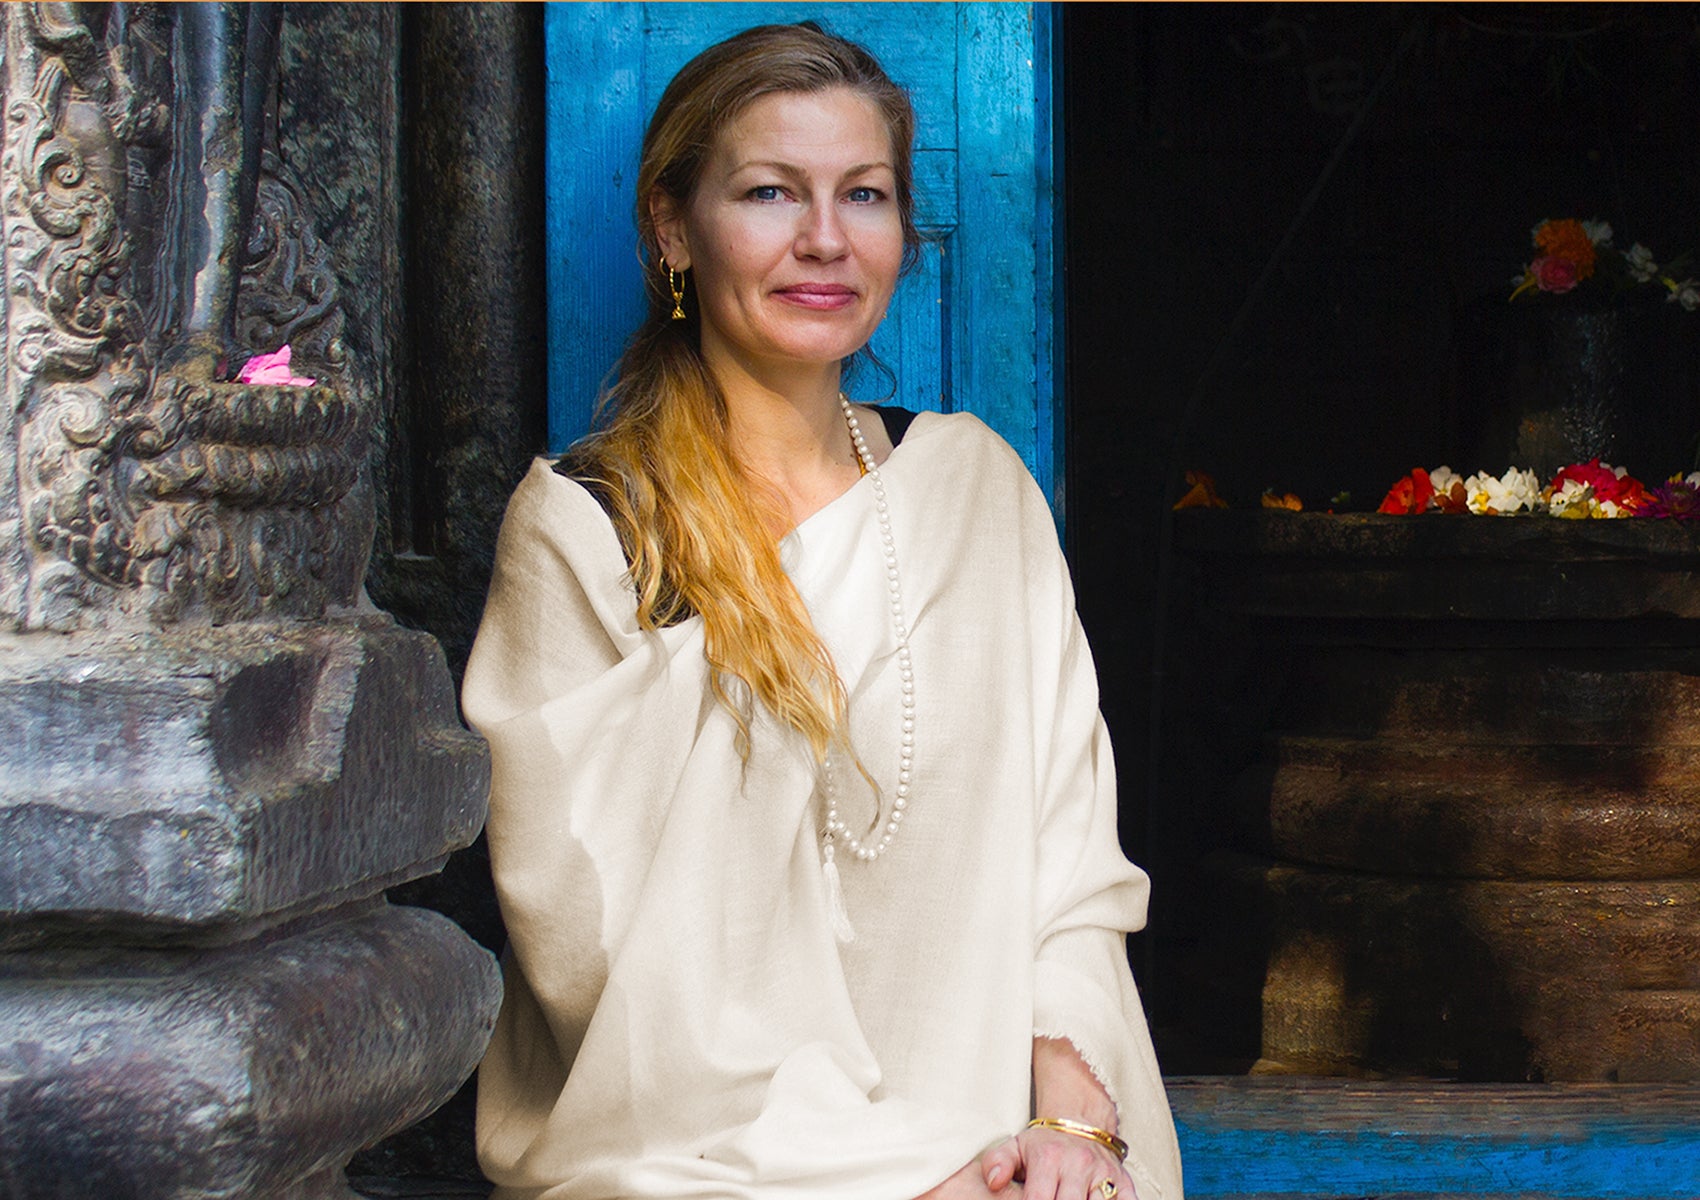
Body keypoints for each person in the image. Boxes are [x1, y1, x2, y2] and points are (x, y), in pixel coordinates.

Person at [461, 23, 1184, 1200]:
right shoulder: (594, 531)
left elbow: (1066, 864)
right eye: (767, 192)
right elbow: (594, 957)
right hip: (707, 1168)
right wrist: (896, 1181)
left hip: (1008, 1139)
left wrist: (1065, 1121)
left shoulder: (975, 494)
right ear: (670, 226)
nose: (823, 240)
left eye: (864, 194)